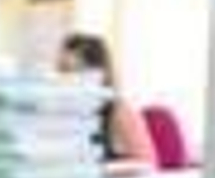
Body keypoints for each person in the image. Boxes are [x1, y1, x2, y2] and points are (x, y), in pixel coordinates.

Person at [56, 33, 158, 163]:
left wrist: (103, 171)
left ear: (99, 74)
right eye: (61, 71)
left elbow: (148, 163)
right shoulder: (62, 112)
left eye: (71, 71)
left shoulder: (119, 111)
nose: (62, 80)